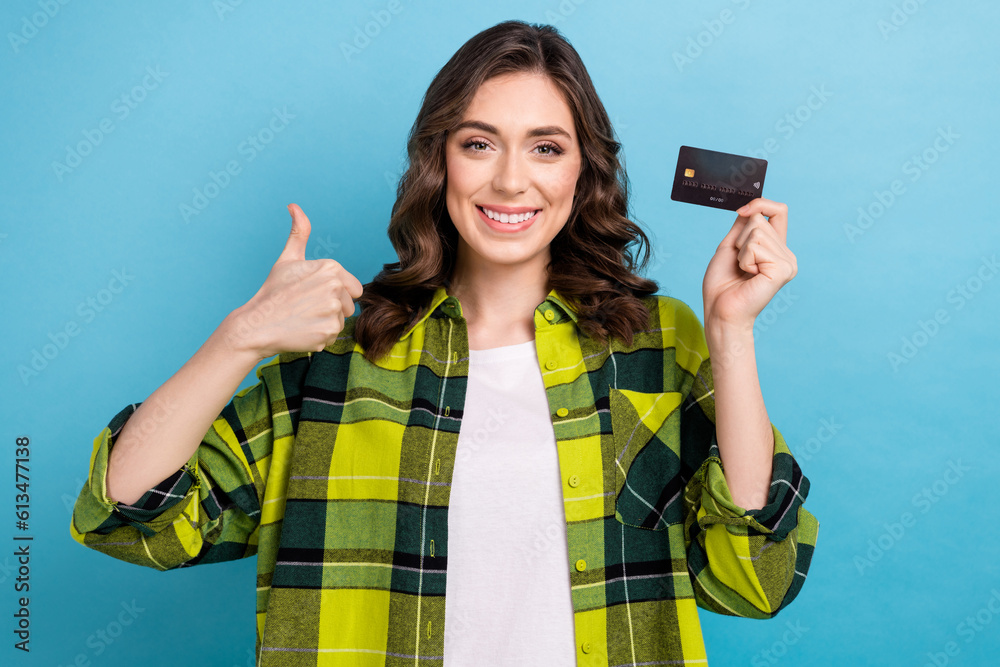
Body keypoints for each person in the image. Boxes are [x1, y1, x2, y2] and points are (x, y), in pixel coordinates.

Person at [70, 19, 818, 667]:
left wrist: (731, 331)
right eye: (479, 143)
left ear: (584, 169)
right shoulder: (342, 357)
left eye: (546, 148)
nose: (511, 180)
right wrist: (240, 338)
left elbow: (754, 577)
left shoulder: (658, 343)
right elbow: (125, 514)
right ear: (440, 161)